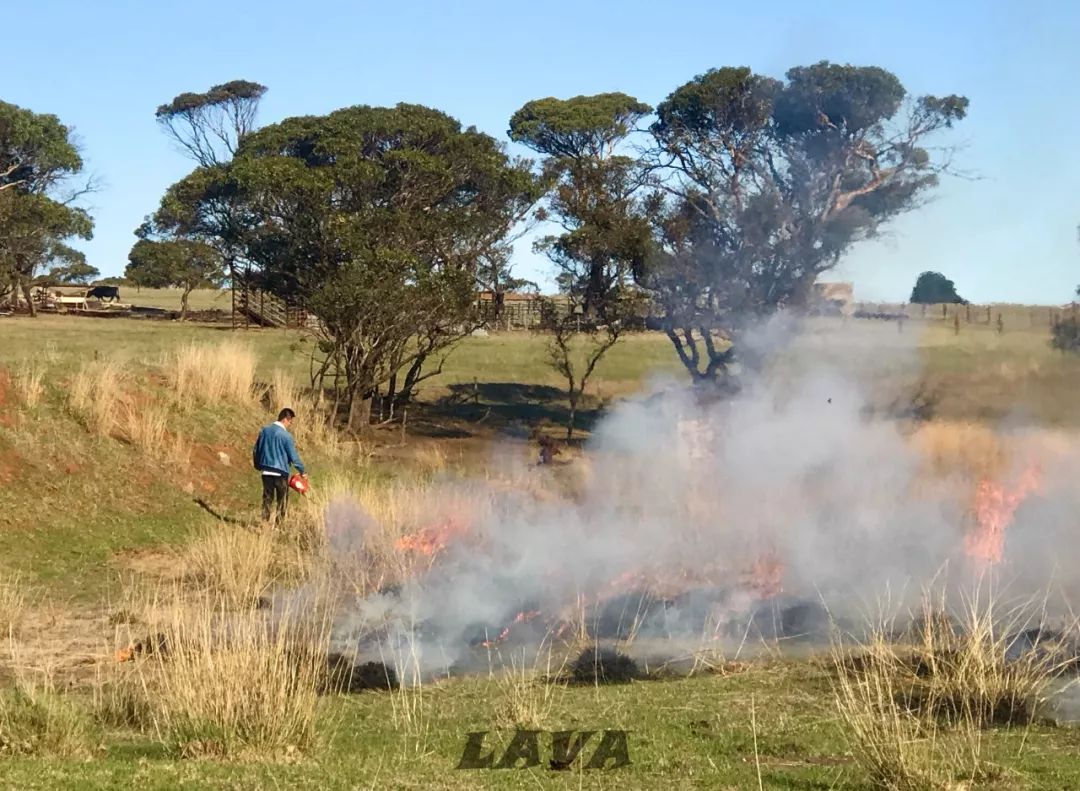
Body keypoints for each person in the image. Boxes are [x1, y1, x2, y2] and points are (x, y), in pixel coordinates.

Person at [253, 408, 306, 522]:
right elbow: (294, 457)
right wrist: (302, 471)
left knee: (267, 499)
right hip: (280, 472)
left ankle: (264, 524)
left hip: (266, 471)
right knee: (282, 501)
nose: (290, 425)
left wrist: (258, 465)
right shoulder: (286, 436)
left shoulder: (264, 431)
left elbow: (256, 450)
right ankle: (279, 526)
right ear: (286, 419)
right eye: (290, 422)